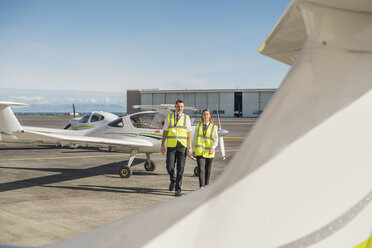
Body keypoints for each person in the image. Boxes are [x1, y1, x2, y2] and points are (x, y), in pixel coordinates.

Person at [161, 100, 192, 196]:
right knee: (169, 167)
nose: (180, 108)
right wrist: (162, 145)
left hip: (182, 146)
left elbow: (189, 133)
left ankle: (178, 189)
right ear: (175, 107)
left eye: (182, 106)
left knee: (180, 168)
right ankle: (173, 179)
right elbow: (165, 131)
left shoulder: (187, 118)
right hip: (171, 146)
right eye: (178, 106)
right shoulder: (169, 117)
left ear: (183, 107)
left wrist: (189, 146)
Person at [192, 109, 218, 189]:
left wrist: (213, 148)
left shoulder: (214, 127)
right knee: (201, 169)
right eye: (204, 114)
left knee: (208, 170)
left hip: (209, 152)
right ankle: (202, 186)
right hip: (200, 151)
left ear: (210, 116)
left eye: (207, 114)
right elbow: (195, 138)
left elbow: (216, 139)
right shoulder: (198, 126)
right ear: (202, 116)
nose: (206, 116)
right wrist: (193, 149)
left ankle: (206, 185)